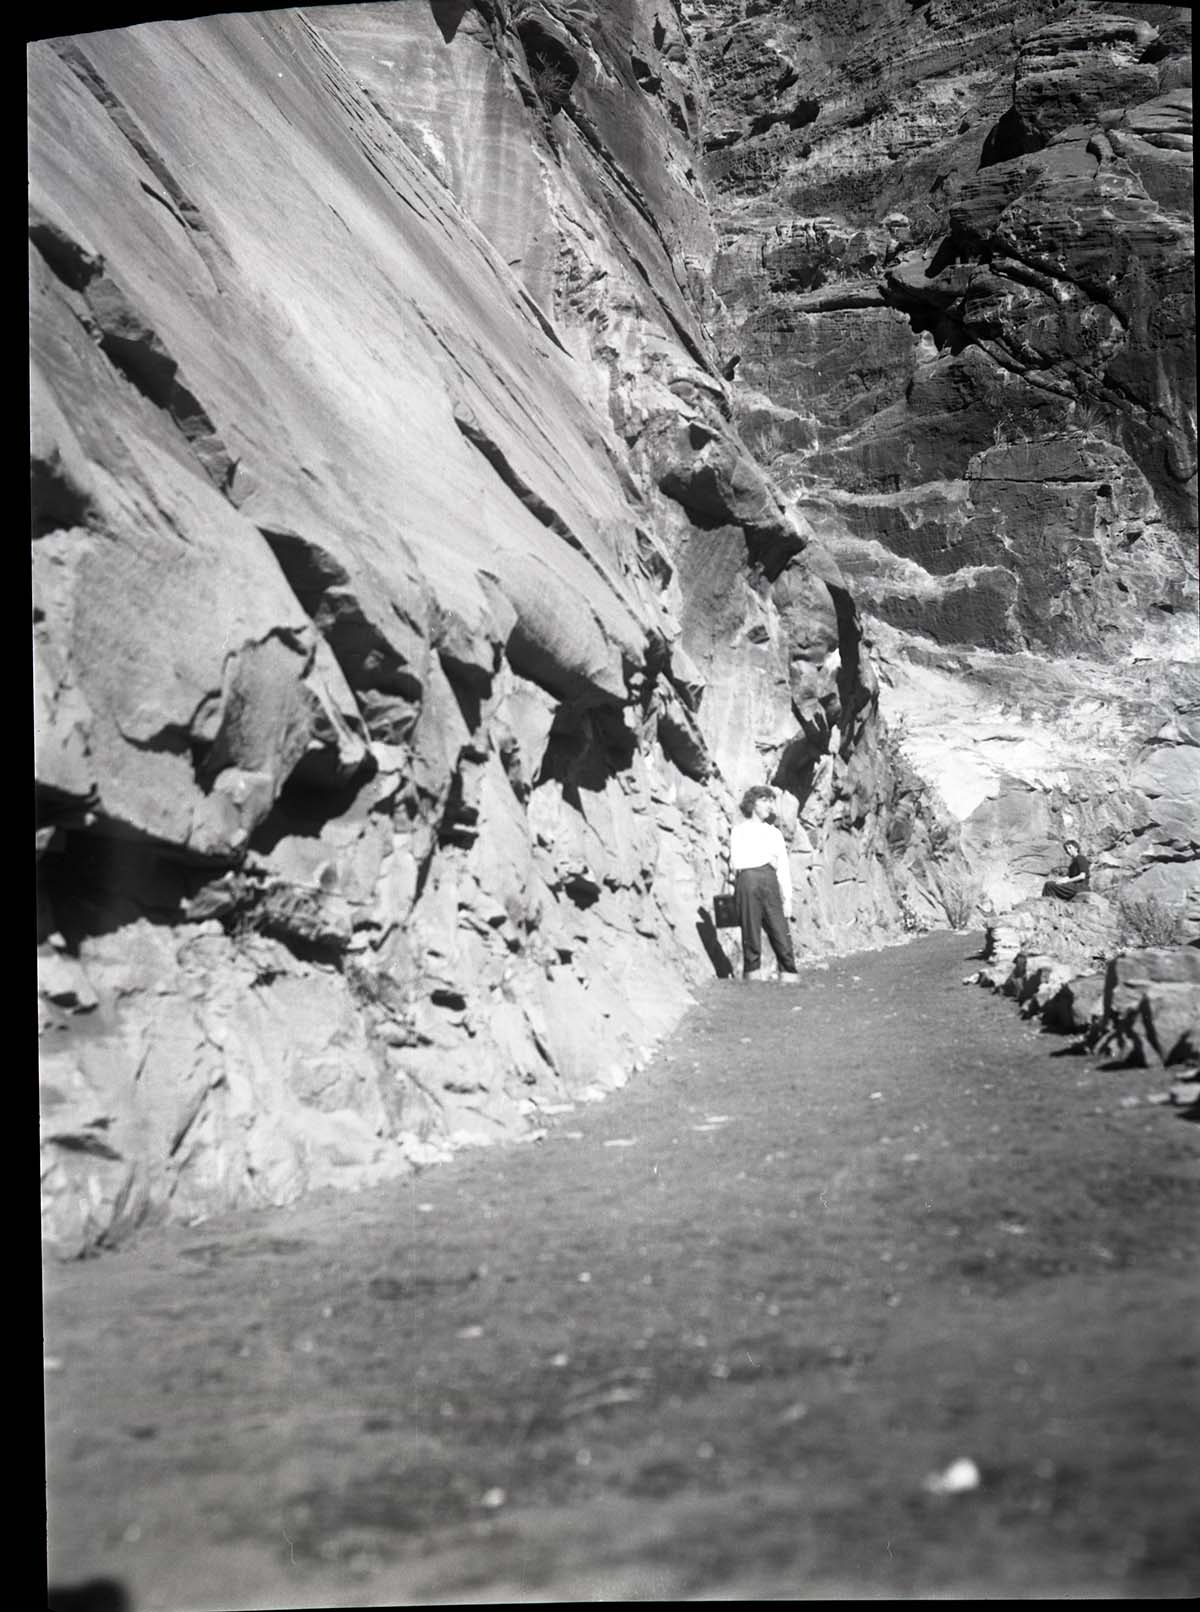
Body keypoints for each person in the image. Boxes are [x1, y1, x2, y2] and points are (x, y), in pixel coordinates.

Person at [730, 785, 805, 982]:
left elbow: (783, 868)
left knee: (781, 934)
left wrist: (787, 898)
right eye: (764, 800)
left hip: (769, 881)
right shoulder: (738, 831)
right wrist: (764, 857)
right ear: (752, 803)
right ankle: (753, 988)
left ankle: (790, 982)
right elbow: (736, 862)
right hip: (746, 881)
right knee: (751, 937)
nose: (769, 806)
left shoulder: (774, 833)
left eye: (771, 801)